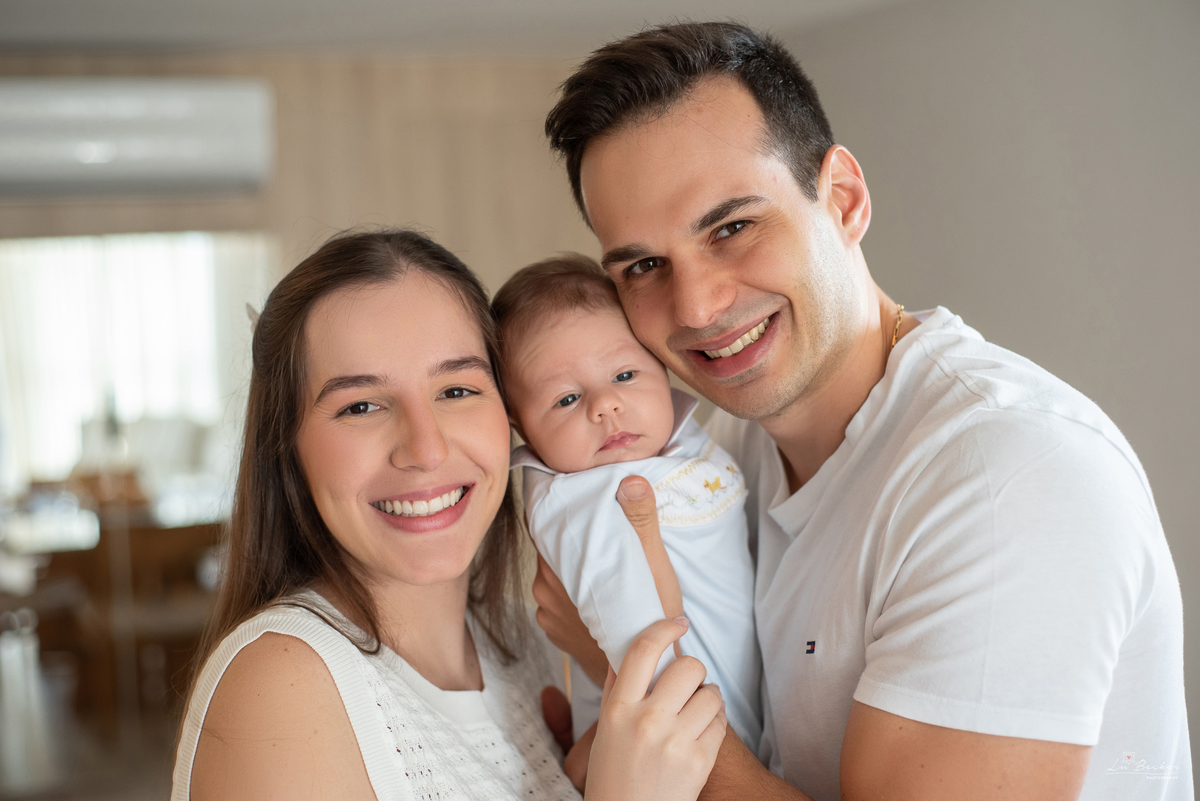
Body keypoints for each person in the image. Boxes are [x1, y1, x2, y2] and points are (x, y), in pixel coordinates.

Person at [533, 21, 1192, 801]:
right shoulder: (723, 455)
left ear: (843, 199)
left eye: (732, 227)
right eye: (645, 265)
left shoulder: (1008, 476)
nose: (697, 306)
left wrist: (632, 680)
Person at [170, 229, 727, 801]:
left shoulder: (534, 650)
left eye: (457, 391)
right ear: (286, 448)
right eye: (361, 405)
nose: (427, 449)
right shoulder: (280, 688)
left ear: (508, 415)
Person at [492, 254, 761, 749]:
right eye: (566, 399)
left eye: (624, 375)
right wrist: (697, 751)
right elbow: (641, 644)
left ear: (660, 362)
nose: (606, 405)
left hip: (749, 700)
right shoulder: (583, 502)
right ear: (519, 423)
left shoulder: (668, 434)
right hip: (693, 735)